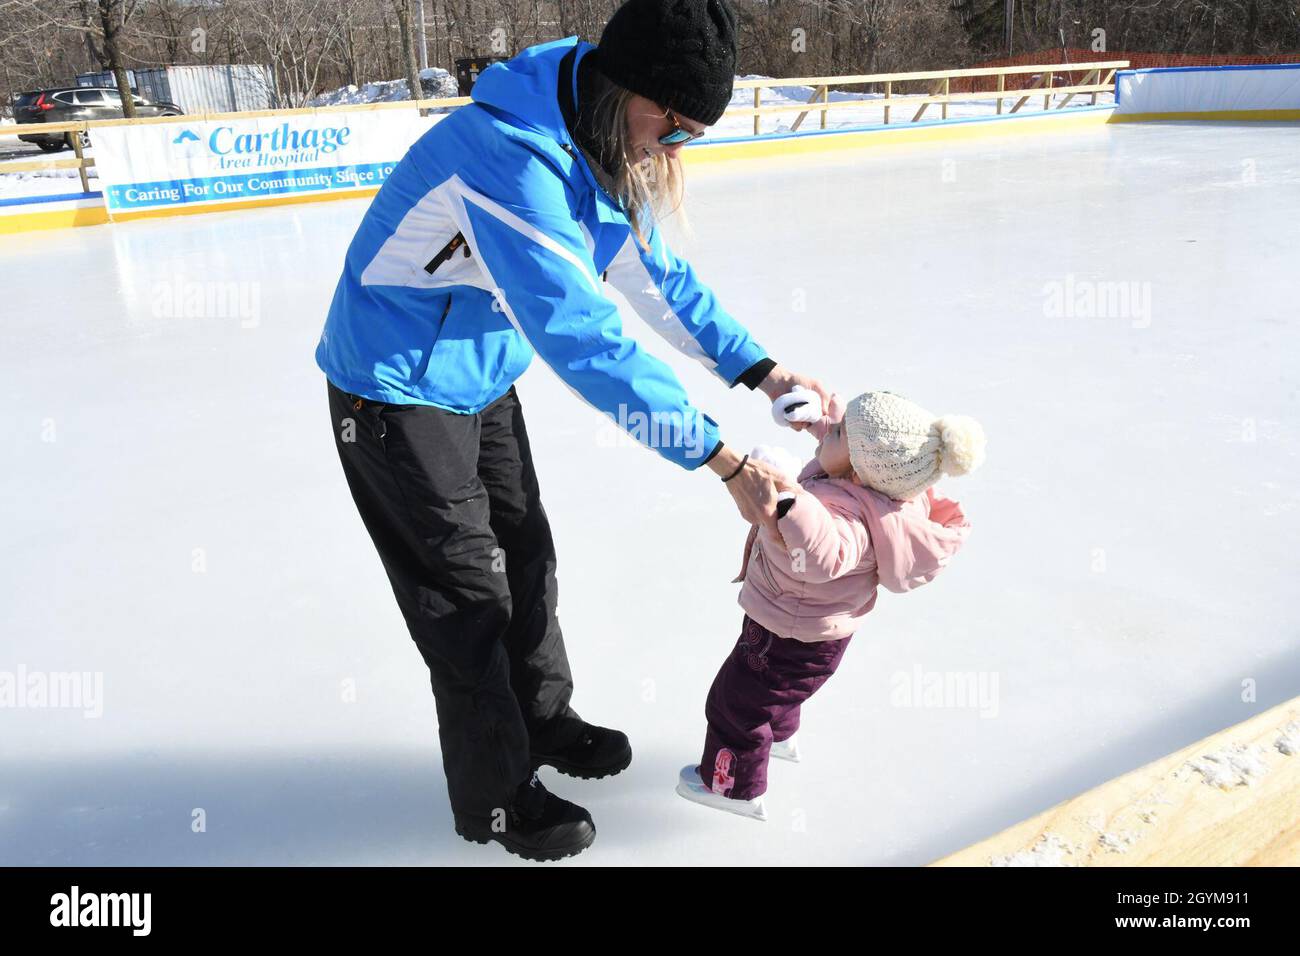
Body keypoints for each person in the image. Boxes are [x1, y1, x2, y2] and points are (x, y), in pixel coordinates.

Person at [315, 0, 831, 861]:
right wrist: (720, 458)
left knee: (524, 557)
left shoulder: (591, 143)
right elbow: (584, 339)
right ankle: (494, 798)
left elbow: (657, 278)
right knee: (467, 597)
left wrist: (763, 371)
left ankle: (544, 723)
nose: (673, 151)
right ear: (635, 91)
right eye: (676, 129)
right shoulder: (508, 161)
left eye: (692, 137)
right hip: (392, 393)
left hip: (477, 378)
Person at [676, 390, 986, 820]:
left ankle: (731, 788)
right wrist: (820, 422)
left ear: (859, 468)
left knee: (736, 704)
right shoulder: (884, 482)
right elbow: (856, 447)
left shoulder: (851, 517)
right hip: (802, 628)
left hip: (789, 631)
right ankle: (780, 736)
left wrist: (787, 496)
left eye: (838, 432)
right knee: (772, 692)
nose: (831, 432)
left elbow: (823, 554)